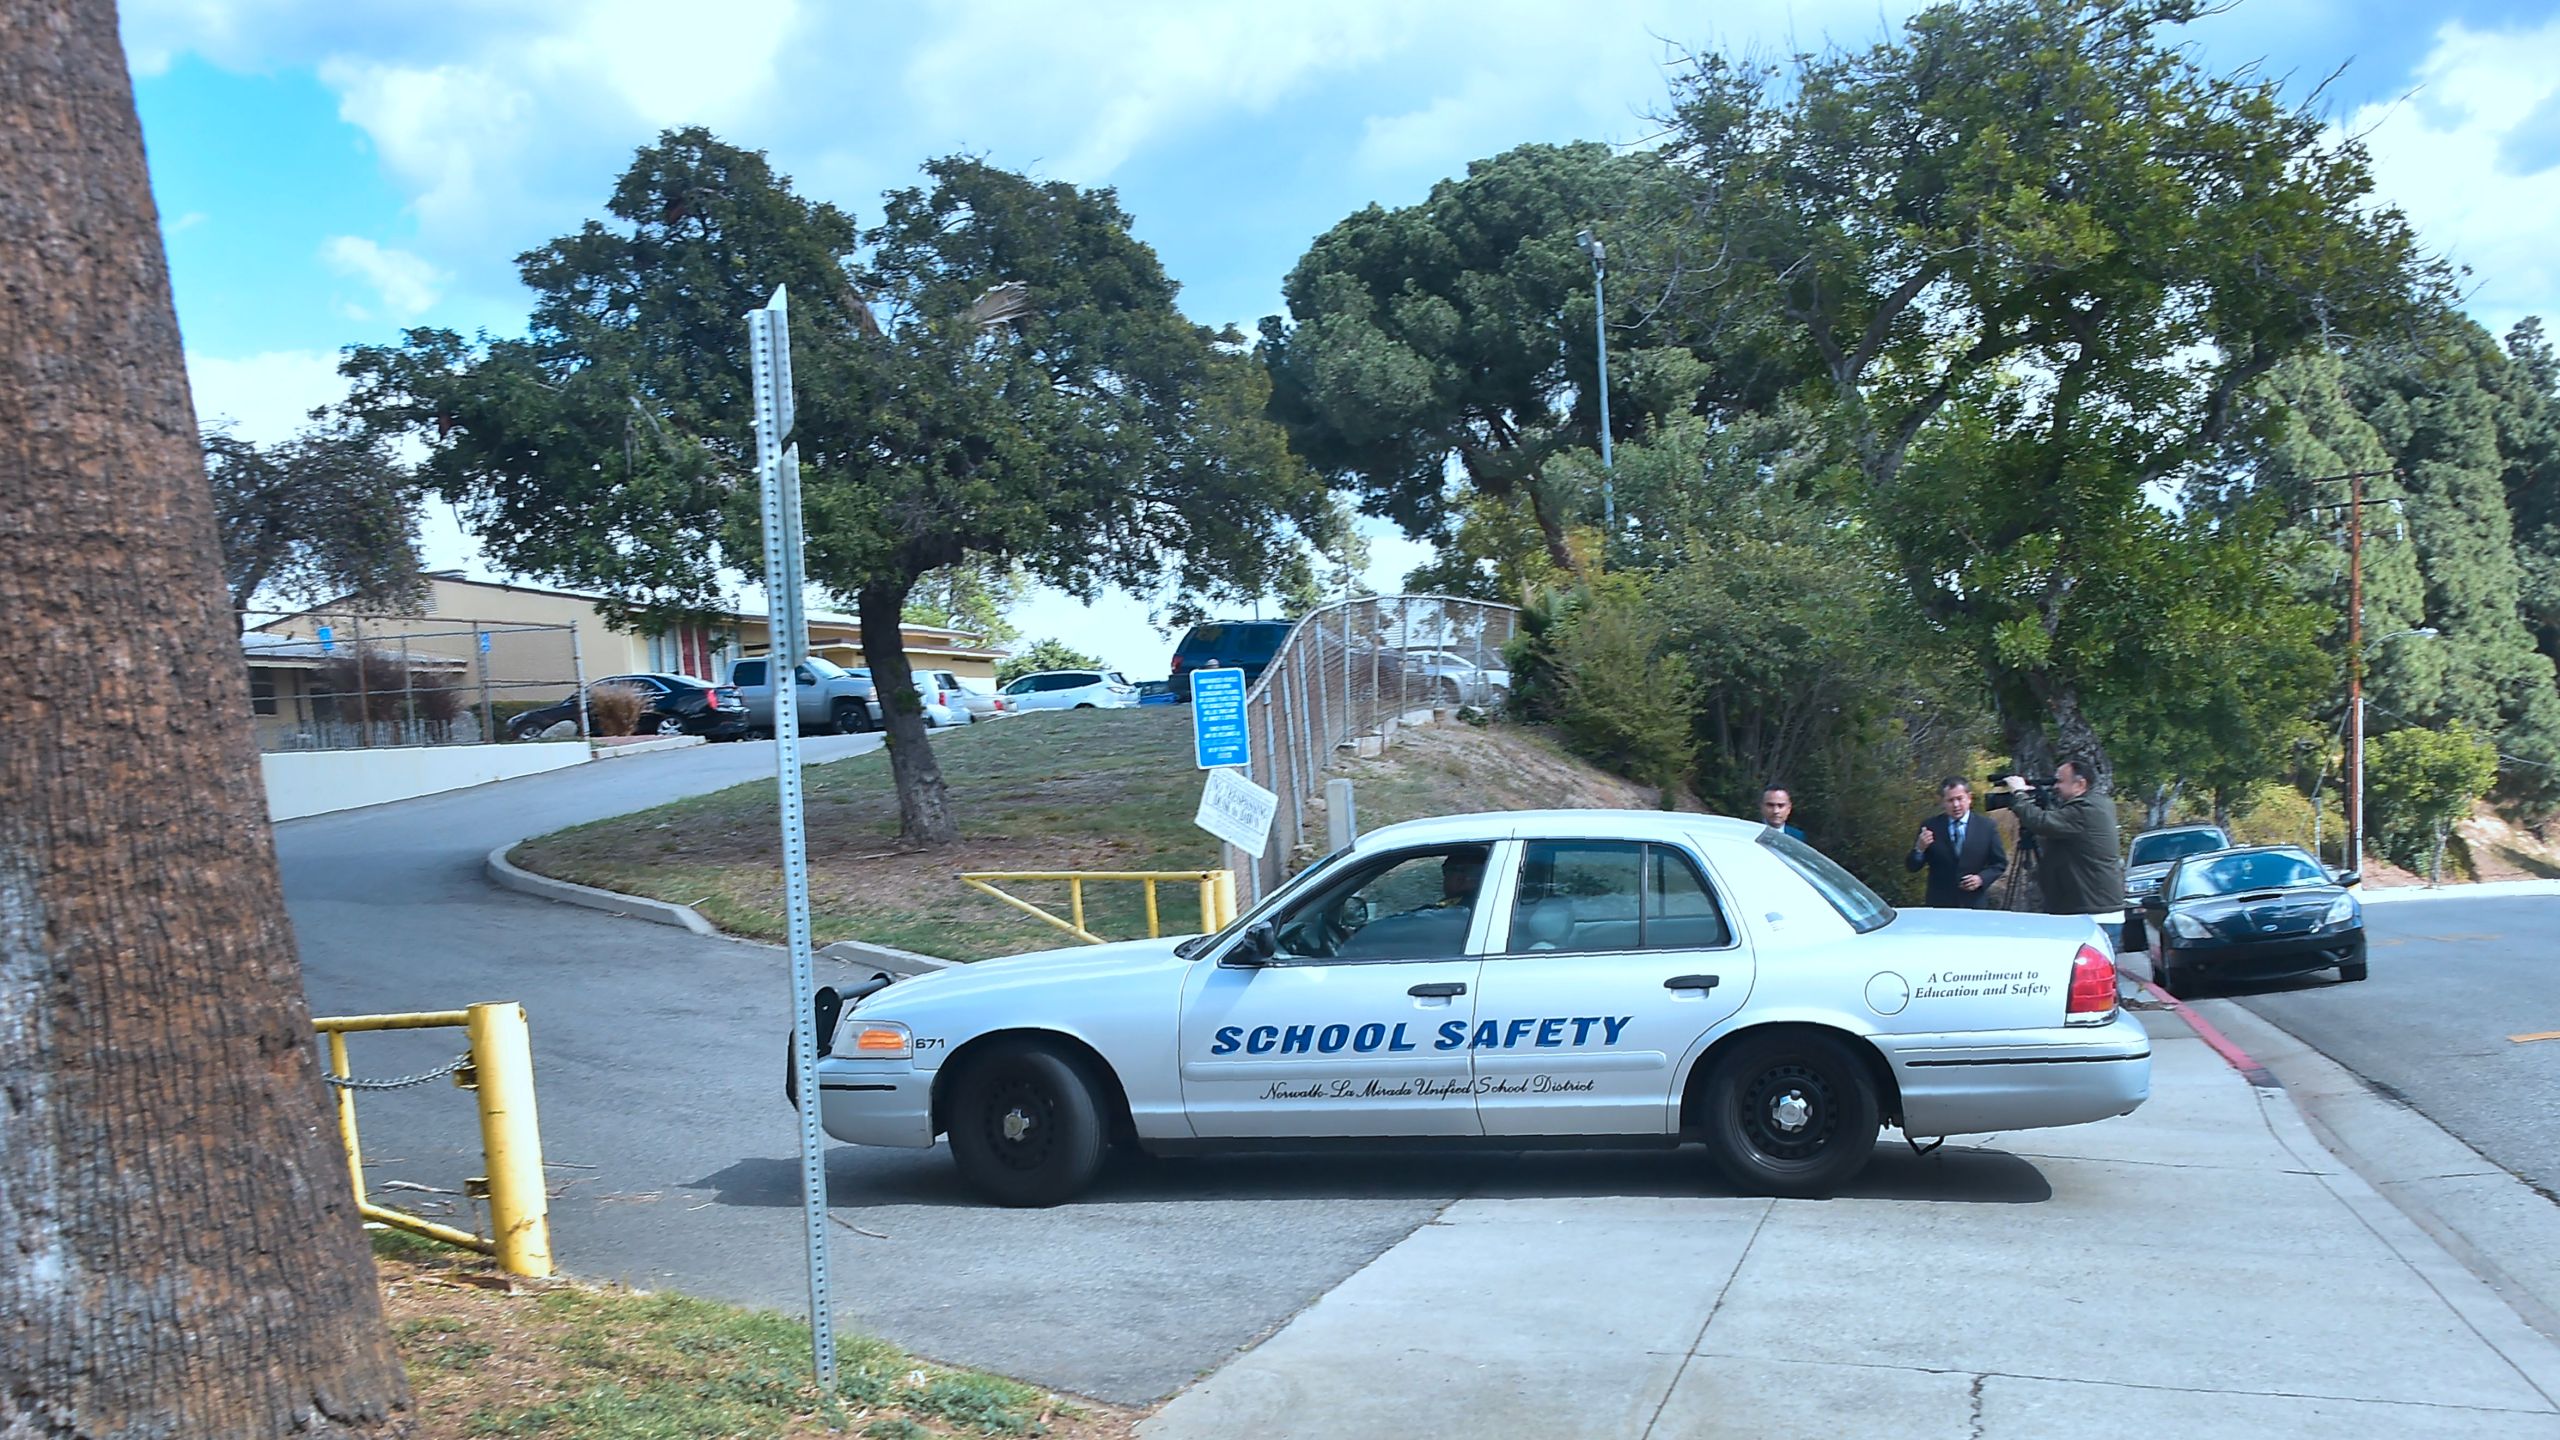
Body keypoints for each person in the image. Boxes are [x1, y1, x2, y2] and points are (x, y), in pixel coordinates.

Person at [2003, 758, 2126, 946]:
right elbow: (2057, 824)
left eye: (2060, 781)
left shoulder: (2086, 809)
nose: (2056, 787)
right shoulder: (2097, 803)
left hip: (2094, 914)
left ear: (2080, 784)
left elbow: (2041, 823)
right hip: (2090, 909)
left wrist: (2019, 794)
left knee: (2092, 974)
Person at [1907, 777, 2008, 908]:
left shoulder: (1986, 827)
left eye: (1960, 799)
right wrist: (1919, 849)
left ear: (1969, 798)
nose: (1956, 805)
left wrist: (1981, 879)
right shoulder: (1930, 826)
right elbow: (1912, 867)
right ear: (1943, 802)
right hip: (1940, 905)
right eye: (1950, 800)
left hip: (1973, 903)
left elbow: (1999, 863)